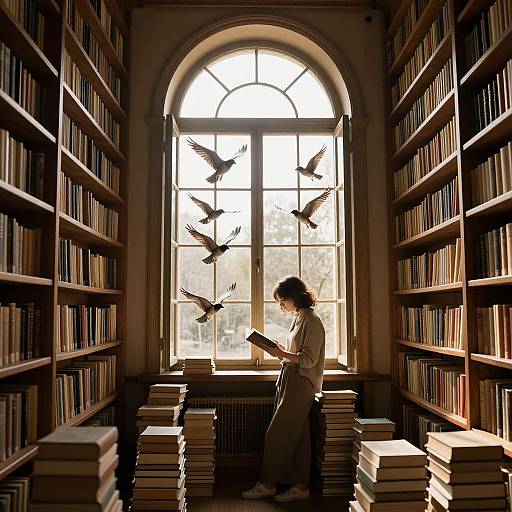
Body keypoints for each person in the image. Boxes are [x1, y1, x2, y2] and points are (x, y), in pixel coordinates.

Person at [241, 275, 326, 502]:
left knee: (276, 434)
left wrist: (282, 354)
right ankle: (301, 486)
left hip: (301, 382)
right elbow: (295, 354)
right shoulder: (299, 317)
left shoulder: (313, 321)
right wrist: (280, 351)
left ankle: (267, 483)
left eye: (282, 300)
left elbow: (308, 359)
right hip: (289, 378)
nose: (281, 306)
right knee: (299, 436)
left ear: (295, 296)